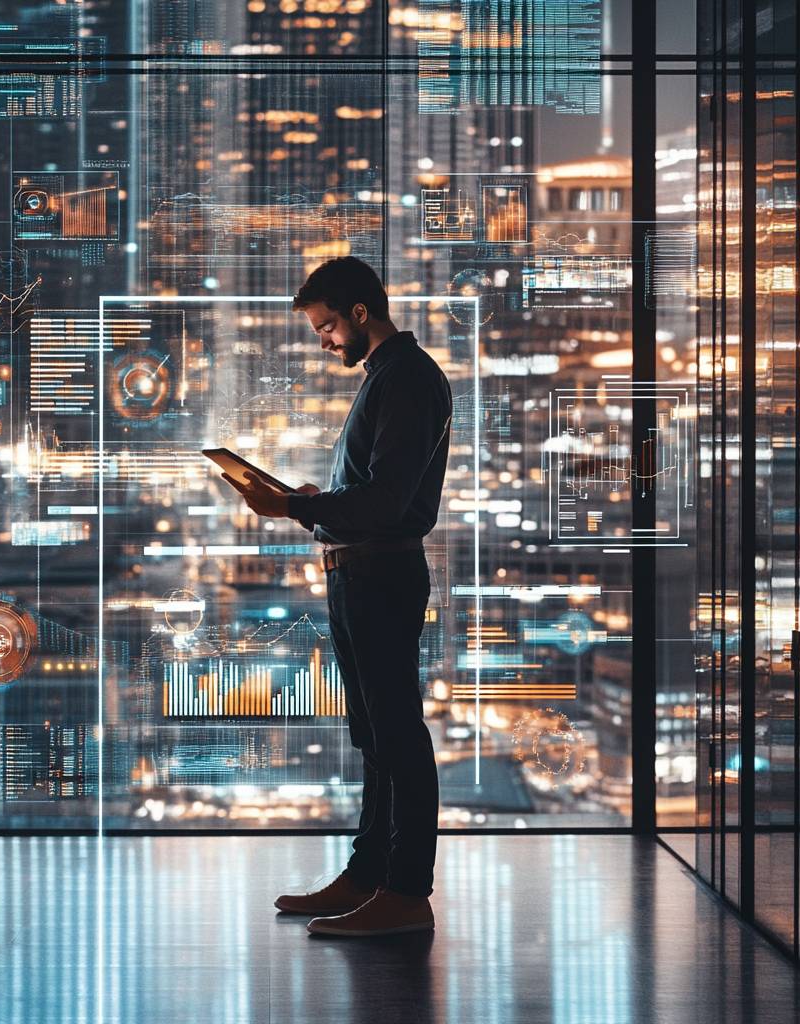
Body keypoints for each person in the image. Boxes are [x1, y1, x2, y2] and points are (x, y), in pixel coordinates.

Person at [222, 256, 452, 937]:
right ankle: (370, 874)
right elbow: (375, 493)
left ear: (360, 313)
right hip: (359, 570)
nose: (322, 340)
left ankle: (406, 892)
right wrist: (315, 505)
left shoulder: (406, 378)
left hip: (380, 573)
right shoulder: (388, 377)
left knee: (398, 736)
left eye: (325, 326)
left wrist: (296, 508)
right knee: (375, 735)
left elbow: (388, 500)